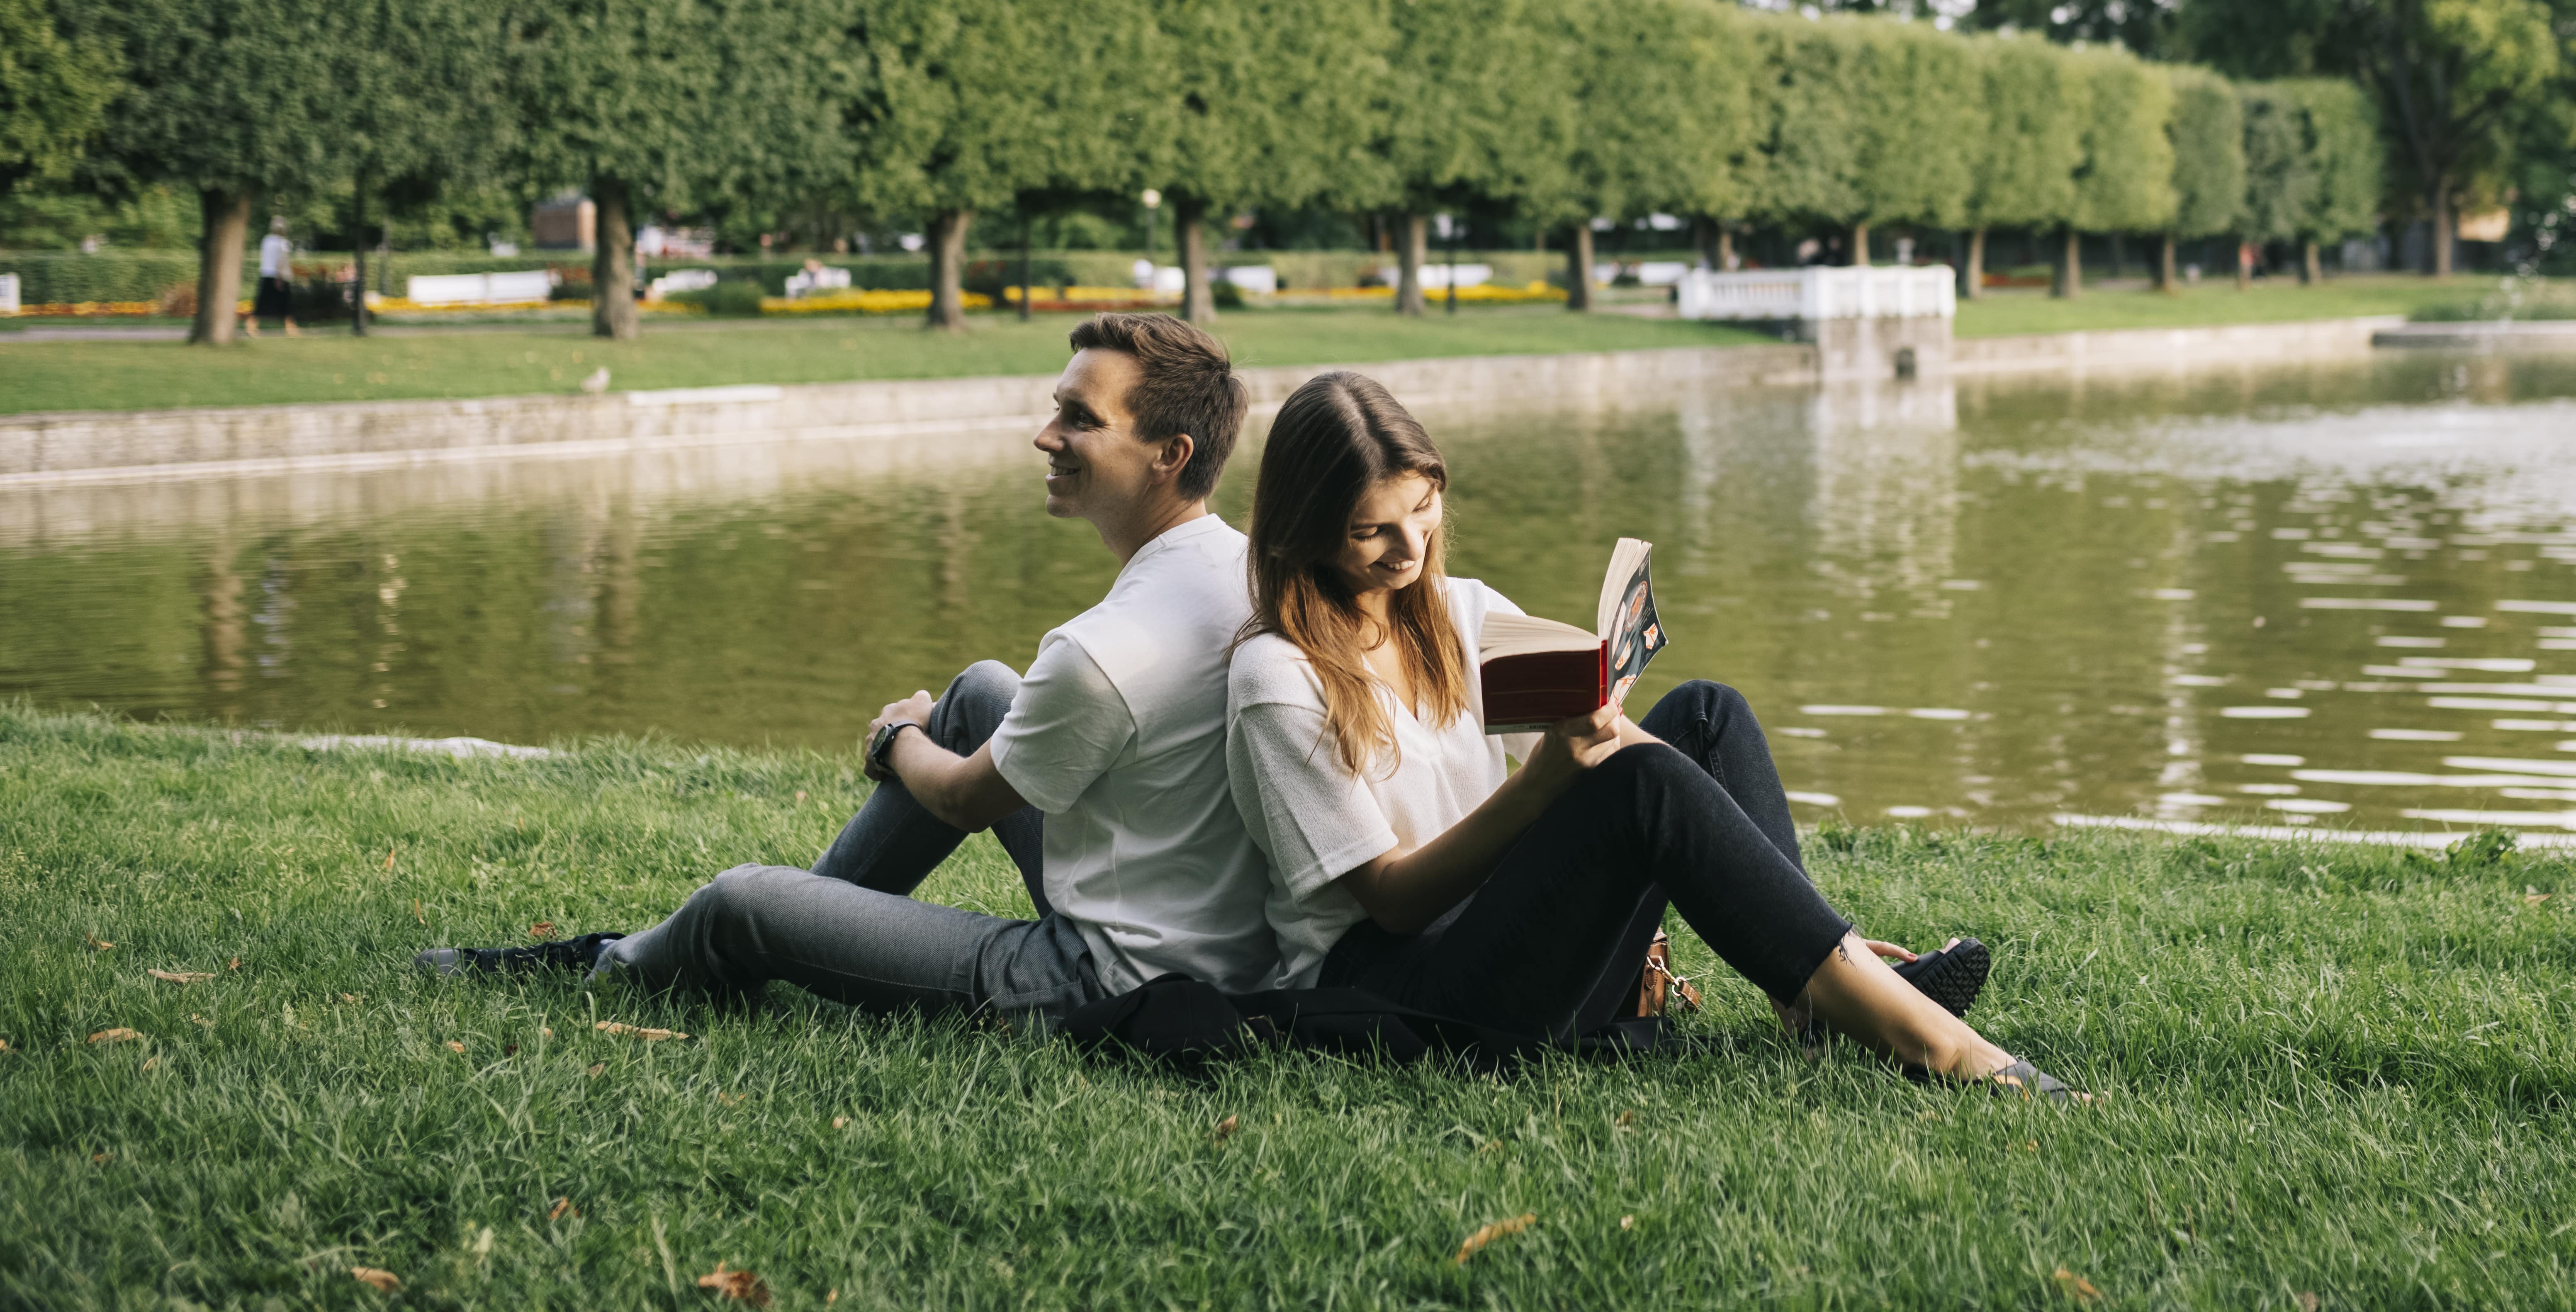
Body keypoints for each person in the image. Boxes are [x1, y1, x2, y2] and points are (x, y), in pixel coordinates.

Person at [1223, 370, 2075, 1096]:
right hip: (1405, 991)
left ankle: (1813, 989)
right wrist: (1541, 786)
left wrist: (1608, 724)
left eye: (1423, 507)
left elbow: (1638, 761)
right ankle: (1939, 1046)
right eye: (1371, 528)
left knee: (1704, 715)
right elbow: (1391, 899)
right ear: (1305, 527)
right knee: (1642, 782)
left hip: (1514, 934)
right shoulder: (1278, 679)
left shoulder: (1462, 611)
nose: (1409, 546)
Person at [420, 313, 1277, 1028]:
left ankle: (624, 961)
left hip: (1101, 978)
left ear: (1170, 452)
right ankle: (796, 929)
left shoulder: (1101, 647)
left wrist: (897, 735)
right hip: (1204, 935)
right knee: (981, 688)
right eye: (1056, 408)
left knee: (741, 898)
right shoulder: (1244, 571)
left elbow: (960, 798)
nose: (1044, 434)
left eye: (1079, 418)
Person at [255, 221, 297, 336]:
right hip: (280, 276)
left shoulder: (266, 241)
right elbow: (282, 261)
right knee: (287, 303)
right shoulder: (284, 243)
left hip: (266, 274)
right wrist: (280, 278)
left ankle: (252, 326)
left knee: (262, 302)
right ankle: (290, 328)